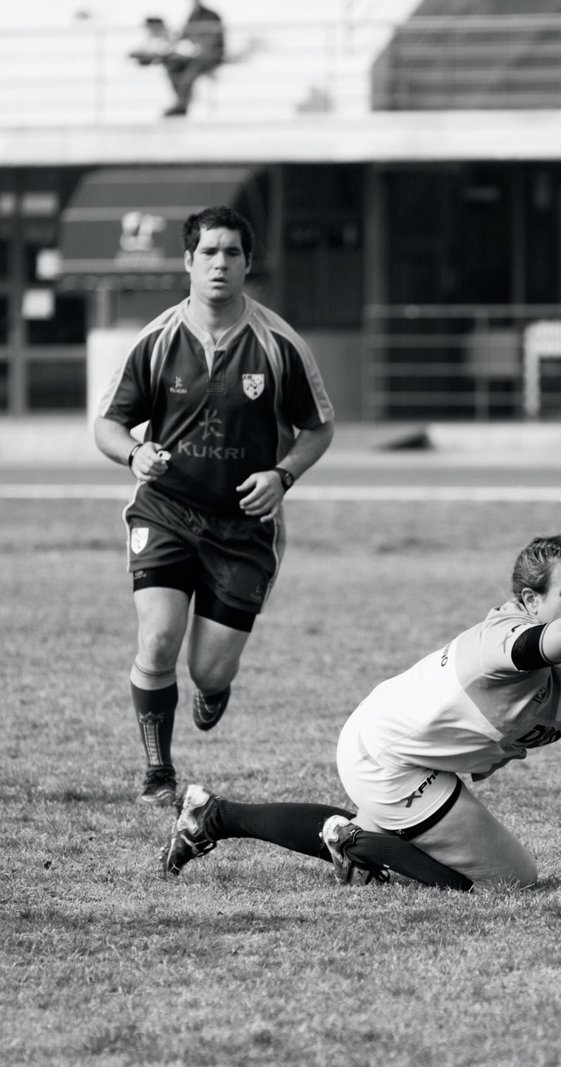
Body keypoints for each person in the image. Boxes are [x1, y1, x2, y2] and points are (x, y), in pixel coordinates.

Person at [161, 536, 561, 891]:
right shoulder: (504, 639)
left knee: (440, 852)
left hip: (409, 751)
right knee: (509, 878)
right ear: (529, 600)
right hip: (386, 755)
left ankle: (214, 815)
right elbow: (560, 638)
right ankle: (354, 842)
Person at [92, 205, 334, 806]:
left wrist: (283, 475)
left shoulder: (280, 345)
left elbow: (319, 429)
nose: (220, 263)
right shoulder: (157, 340)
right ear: (187, 263)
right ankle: (157, 774)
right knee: (157, 640)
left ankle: (213, 687)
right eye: (208, 252)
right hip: (166, 510)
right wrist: (133, 457)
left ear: (248, 263)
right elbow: (109, 424)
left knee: (209, 670)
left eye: (231, 252)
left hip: (245, 528)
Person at [161, 1, 226, 118]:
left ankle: (182, 103)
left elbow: (214, 40)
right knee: (173, 66)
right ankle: (182, 100)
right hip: (194, 54)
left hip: (210, 56)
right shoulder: (193, 15)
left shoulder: (211, 15)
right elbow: (185, 35)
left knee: (190, 73)